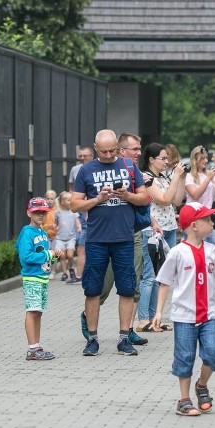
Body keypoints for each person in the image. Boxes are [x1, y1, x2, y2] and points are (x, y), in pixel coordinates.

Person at [152, 202, 215, 416]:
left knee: (212, 353)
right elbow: (164, 282)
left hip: (209, 315)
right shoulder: (177, 252)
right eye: (207, 220)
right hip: (184, 316)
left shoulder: (212, 251)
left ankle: (201, 385)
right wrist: (158, 312)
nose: (212, 223)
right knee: (185, 358)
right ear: (194, 225)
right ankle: (184, 400)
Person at [70, 129, 150, 357]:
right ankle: (92, 339)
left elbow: (144, 197)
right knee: (93, 289)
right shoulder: (86, 170)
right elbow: (75, 205)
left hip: (124, 237)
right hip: (97, 239)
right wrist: (97, 199)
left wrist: (127, 196)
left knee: (127, 289)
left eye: (112, 150)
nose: (108, 155)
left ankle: (124, 338)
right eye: (103, 151)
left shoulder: (128, 165)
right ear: (95, 148)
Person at [136, 142, 187, 331]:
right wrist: (176, 178)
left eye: (168, 158)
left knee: (162, 276)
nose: (166, 162)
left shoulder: (165, 177)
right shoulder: (145, 178)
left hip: (170, 228)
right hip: (153, 230)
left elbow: (176, 200)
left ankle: (154, 318)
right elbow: (163, 199)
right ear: (151, 159)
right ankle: (143, 320)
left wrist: (180, 179)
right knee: (149, 275)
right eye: (163, 158)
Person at [17, 197, 63, 361]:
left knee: (38, 312)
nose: (40, 216)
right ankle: (32, 349)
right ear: (29, 212)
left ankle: (36, 345)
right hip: (32, 278)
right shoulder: (27, 232)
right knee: (32, 311)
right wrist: (48, 254)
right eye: (36, 212)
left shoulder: (42, 233)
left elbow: (44, 258)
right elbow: (26, 256)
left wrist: (53, 257)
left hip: (42, 278)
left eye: (43, 212)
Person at [69, 146, 94, 285]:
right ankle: (81, 274)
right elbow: (71, 188)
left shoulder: (96, 167)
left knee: (83, 246)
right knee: (78, 242)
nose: (82, 158)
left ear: (92, 155)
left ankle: (81, 274)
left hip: (89, 211)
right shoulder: (75, 169)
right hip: (77, 211)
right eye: (81, 156)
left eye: (85, 155)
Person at [54, 191, 81, 282]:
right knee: (62, 256)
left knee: (70, 255)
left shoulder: (73, 212)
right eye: (69, 200)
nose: (71, 202)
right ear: (62, 202)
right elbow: (56, 224)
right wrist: (54, 227)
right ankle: (64, 273)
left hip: (71, 238)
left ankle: (71, 269)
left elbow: (77, 222)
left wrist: (79, 227)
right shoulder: (58, 212)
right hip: (59, 239)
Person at [42, 190, 58, 278]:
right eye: (47, 198)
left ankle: (53, 272)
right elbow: (40, 224)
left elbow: (60, 223)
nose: (49, 200)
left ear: (55, 199)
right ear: (45, 199)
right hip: (46, 236)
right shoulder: (44, 211)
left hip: (55, 236)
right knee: (47, 254)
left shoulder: (57, 211)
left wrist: (56, 226)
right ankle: (47, 270)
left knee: (54, 254)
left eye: (52, 199)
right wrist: (47, 226)